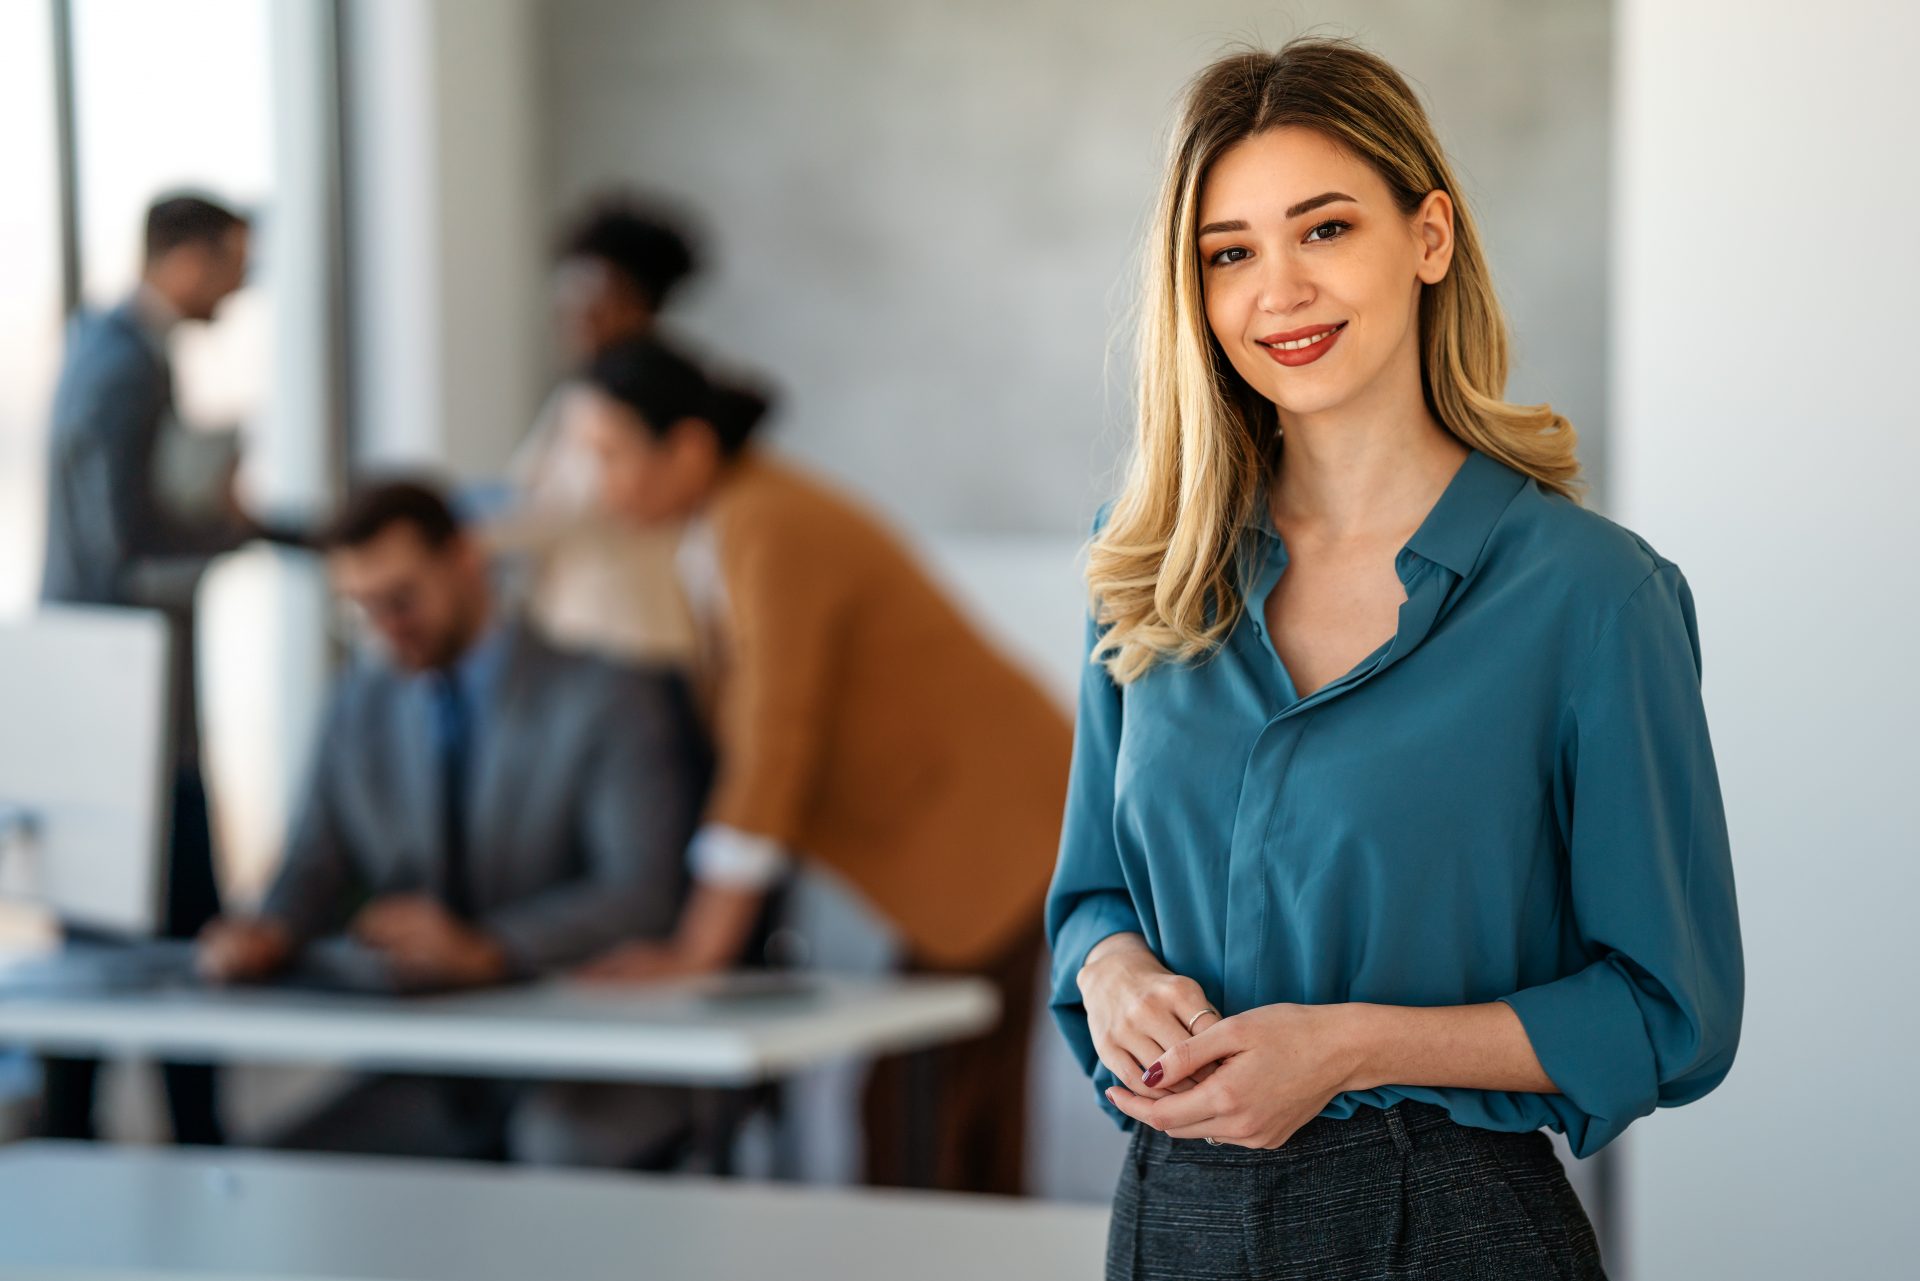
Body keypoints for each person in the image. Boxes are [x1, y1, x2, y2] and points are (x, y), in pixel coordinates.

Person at [1045, 37, 1743, 1279]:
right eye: (1229, 253)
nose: (1279, 292)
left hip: (1454, 1232)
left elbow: (1664, 1011)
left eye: (1324, 230)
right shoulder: (1143, 563)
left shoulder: (1592, 598)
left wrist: (1353, 1046)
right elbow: (1091, 895)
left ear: (1428, 238)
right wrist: (1110, 971)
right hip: (1172, 1223)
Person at [566, 335, 1072, 1196]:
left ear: (686, 447)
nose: (598, 485)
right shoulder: (731, 523)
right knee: (954, 1111)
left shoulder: (768, 522)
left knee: (917, 1115)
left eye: (611, 456)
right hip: (996, 825)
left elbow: (775, 738)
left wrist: (700, 945)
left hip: (999, 827)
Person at [197, 480, 709, 1167]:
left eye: (401, 598)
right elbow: (314, 863)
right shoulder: (360, 704)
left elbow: (641, 893)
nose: (386, 627)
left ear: (465, 559)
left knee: (554, 1150)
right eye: (361, 610)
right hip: (439, 1059)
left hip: (588, 1050)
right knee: (274, 1171)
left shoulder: (604, 694)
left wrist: (489, 948)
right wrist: (270, 929)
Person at [36, 191, 278, 1146]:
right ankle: (170, 1157)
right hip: (116, 703)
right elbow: (124, 549)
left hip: (116, 696)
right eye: (233, 262)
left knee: (129, 946)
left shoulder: (119, 352)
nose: (242, 285)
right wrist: (234, 529)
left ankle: (120, 1157)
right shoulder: (121, 366)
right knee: (150, 948)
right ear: (184, 256)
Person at [484, 194, 705, 665]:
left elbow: (568, 507)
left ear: (639, 302)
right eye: (569, 290)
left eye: (598, 292)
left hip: (629, 637)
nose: (577, 309)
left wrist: (445, 532)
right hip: (588, 633)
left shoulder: (641, 393)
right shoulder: (588, 390)